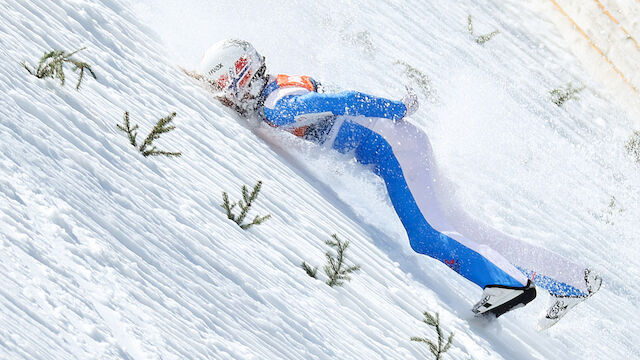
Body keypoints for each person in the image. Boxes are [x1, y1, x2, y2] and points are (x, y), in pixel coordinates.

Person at [195, 39, 601, 325]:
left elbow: (345, 101)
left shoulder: (278, 106)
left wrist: (397, 107)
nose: (227, 101)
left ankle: (508, 284)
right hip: (400, 146)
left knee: (426, 235)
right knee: (462, 227)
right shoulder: (274, 91)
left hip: (395, 149)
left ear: (240, 79)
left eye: (224, 91)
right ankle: (570, 281)